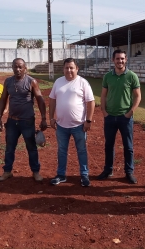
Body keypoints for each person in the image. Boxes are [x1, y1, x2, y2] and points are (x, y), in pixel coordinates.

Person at [0, 58, 47, 182]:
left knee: (31, 147)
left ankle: (35, 172)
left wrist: (44, 118)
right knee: (9, 147)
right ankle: (7, 171)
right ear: (12, 67)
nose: (17, 69)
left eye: (20, 67)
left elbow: (40, 100)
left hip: (27, 121)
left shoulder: (31, 82)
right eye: (15, 67)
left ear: (25, 68)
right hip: (12, 121)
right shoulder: (8, 82)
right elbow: (3, 99)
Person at [49, 58, 95, 187]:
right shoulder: (58, 82)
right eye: (66, 68)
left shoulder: (83, 83)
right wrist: (51, 118)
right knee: (62, 150)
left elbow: (90, 102)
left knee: (81, 150)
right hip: (61, 125)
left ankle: (84, 175)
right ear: (63, 69)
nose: (69, 70)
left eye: (71, 68)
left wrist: (88, 120)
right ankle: (61, 175)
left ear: (77, 69)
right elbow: (52, 100)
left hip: (79, 125)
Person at [97, 49, 141, 184]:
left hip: (125, 117)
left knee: (128, 146)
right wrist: (104, 111)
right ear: (113, 60)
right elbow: (103, 95)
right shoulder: (107, 76)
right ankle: (108, 170)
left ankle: (129, 172)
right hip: (110, 117)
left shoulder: (132, 76)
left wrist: (130, 112)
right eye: (117, 59)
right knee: (109, 145)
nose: (120, 61)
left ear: (126, 59)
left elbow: (138, 96)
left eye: (122, 58)